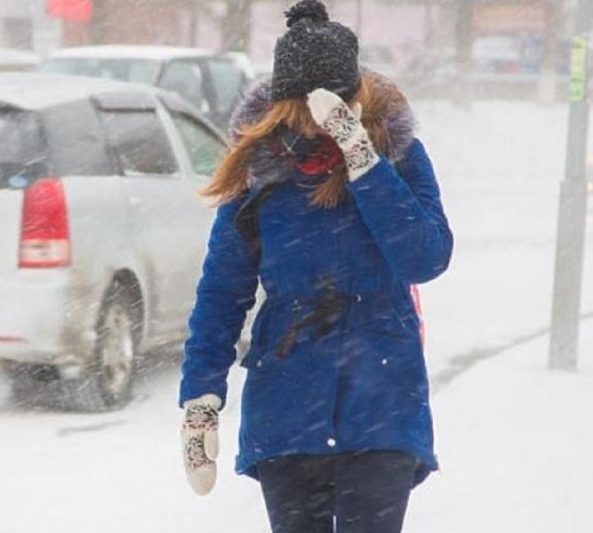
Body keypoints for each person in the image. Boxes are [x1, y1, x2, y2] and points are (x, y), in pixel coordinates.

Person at [178, 1, 453, 532]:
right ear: (283, 104)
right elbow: (222, 291)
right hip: (288, 404)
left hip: (383, 399)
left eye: (326, 106)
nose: (312, 122)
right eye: (301, 106)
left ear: (353, 99)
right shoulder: (261, 172)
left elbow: (425, 256)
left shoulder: (397, 156)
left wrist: (362, 159)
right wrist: (200, 399)